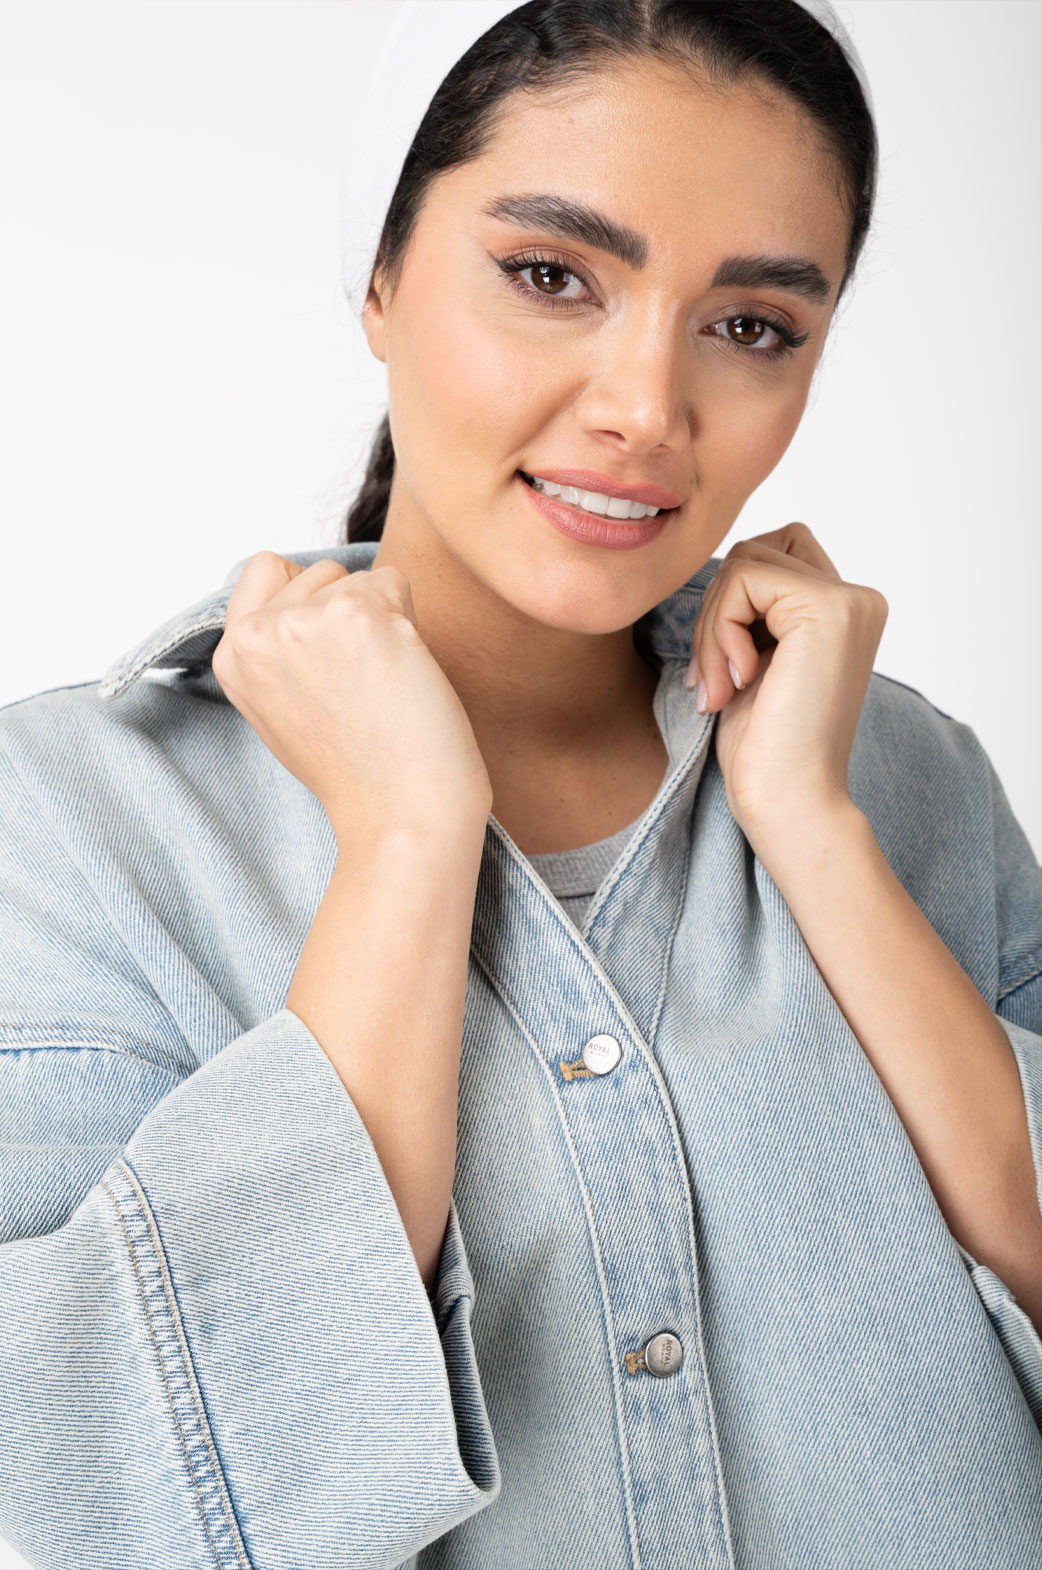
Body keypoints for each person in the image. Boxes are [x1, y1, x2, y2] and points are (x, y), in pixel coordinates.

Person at [1, 2, 1040, 1567]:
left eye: (751, 324)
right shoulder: (71, 823)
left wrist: (817, 833)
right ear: (378, 274)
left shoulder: (912, 781)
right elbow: (127, 1502)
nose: (645, 408)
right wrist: (407, 841)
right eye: (551, 276)